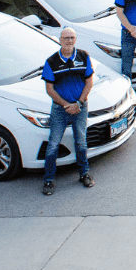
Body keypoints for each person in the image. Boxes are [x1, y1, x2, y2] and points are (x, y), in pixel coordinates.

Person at [40, 28, 94, 194]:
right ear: (60, 40)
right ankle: (48, 180)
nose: (69, 41)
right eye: (66, 38)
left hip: (80, 107)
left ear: (76, 39)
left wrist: (78, 103)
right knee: (53, 145)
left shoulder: (84, 56)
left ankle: (84, 174)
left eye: (72, 38)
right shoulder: (51, 62)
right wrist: (66, 105)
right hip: (59, 110)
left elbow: (89, 82)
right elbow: (49, 89)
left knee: (81, 142)